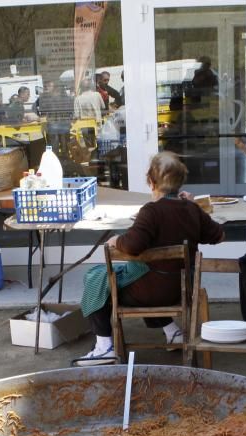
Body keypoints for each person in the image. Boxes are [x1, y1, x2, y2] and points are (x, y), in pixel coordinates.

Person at [78, 151, 226, 365]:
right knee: (152, 275)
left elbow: (132, 245)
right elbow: (220, 236)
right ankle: (172, 331)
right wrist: (193, 208)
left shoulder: (151, 211)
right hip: (181, 289)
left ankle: (104, 347)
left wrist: (116, 240)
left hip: (148, 292)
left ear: (151, 181)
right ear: (181, 180)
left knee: (96, 278)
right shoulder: (192, 209)